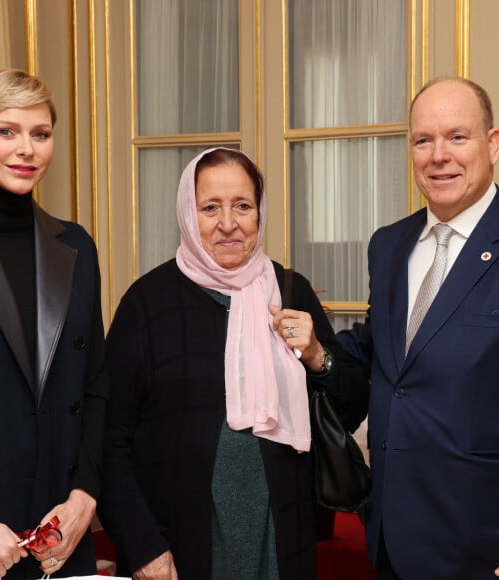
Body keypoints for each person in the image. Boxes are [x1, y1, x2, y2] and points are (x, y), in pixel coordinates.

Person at [98, 147, 369, 580]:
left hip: (282, 534)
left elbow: (350, 410)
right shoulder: (145, 304)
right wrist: (142, 546)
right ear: (189, 213)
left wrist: (318, 356)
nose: (228, 223)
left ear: (259, 213)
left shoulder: (291, 291)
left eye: (242, 206)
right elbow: (109, 442)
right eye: (210, 208)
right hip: (179, 545)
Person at [337, 76, 499, 579]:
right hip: (391, 542)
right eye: (424, 140)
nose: (439, 155)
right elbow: (386, 357)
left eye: (457, 137)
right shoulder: (389, 245)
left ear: (493, 144)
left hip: (492, 551)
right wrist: (316, 351)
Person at [0, 68, 108, 579]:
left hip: (58, 531)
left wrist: (83, 500)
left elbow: (97, 385)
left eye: (41, 133)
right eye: (5, 131)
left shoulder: (76, 246)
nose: (27, 150)